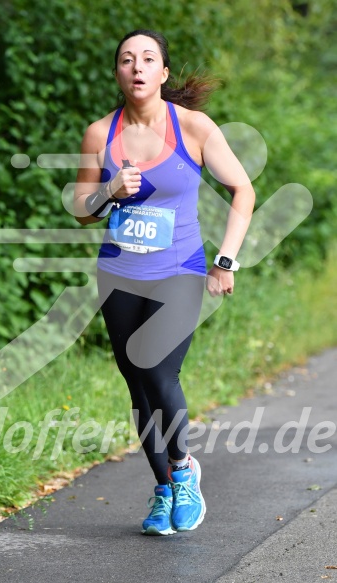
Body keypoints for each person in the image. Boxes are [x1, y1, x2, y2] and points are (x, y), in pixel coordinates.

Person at [74, 29, 255, 535]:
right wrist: (108, 190)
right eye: (127, 60)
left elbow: (242, 189)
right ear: (118, 73)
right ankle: (162, 492)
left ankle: (183, 471)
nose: (137, 67)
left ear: (163, 73)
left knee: (155, 367)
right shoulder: (99, 134)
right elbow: (81, 210)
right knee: (138, 386)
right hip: (118, 273)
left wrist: (225, 260)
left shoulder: (193, 127)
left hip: (179, 270)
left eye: (148, 59)